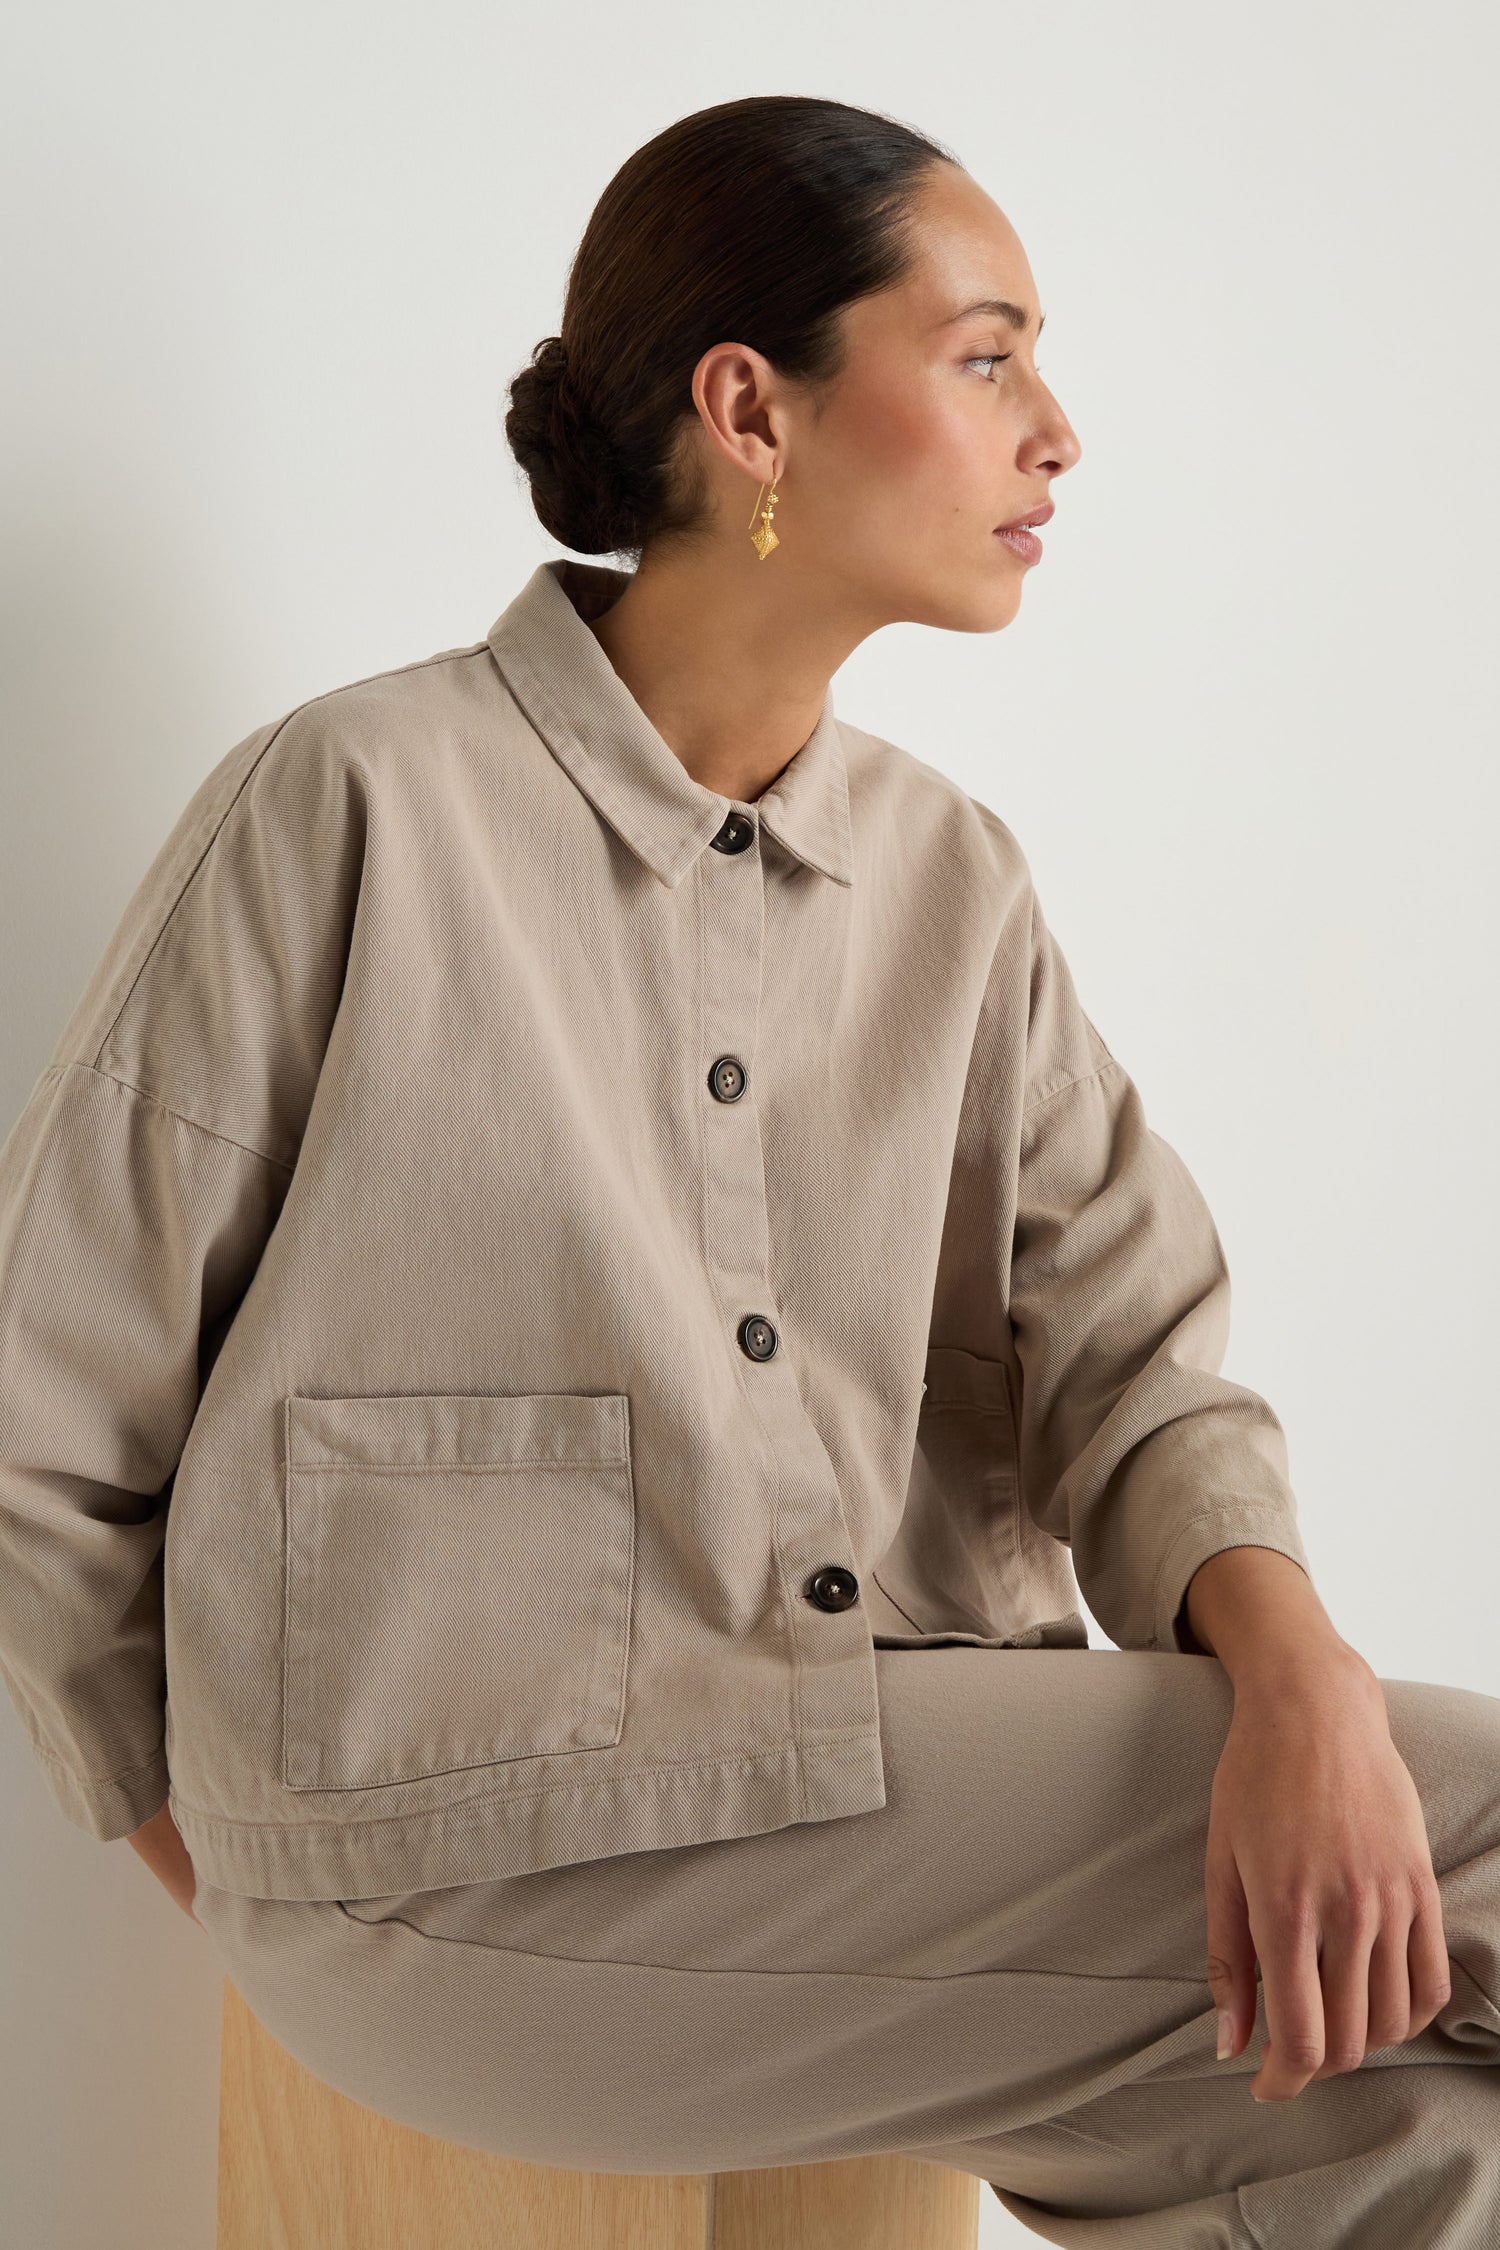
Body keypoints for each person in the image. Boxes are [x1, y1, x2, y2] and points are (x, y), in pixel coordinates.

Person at [2, 92, 1496, 2245]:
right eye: (986, 356)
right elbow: (46, 1420)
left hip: (860, 1806)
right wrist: (242, 1868)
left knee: (1420, 2148)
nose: (1056, 429)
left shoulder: (950, 887)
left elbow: (1138, 1371)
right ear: (751, 412)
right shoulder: (354, 807)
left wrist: (1301, 1677)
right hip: (456, 1874)